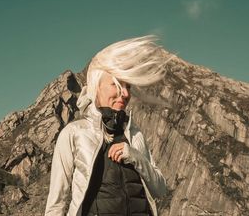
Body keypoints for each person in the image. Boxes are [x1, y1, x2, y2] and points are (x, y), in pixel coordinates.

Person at [45, 36, 168, 216]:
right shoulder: (73, 133)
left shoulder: (135, 134)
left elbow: (160, 189)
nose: (125, 93)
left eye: (128, 86)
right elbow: (56, 205)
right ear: (97, 87)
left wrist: (135, 156)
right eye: (116, 84)